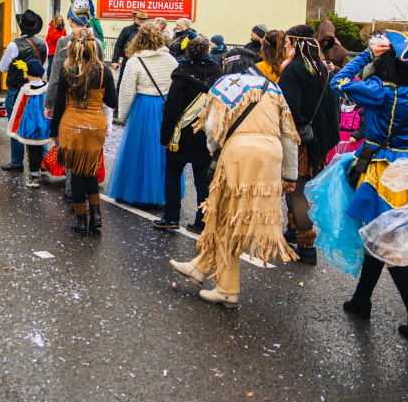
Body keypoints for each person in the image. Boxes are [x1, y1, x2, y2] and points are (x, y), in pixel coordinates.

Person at [330, 31, 408, 338]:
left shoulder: (381, 90)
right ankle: (361, 299)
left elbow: (337, 82)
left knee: (387, 243)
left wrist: (366, 56)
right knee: (379, 236)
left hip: (382, 168)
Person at [168, 55, 300, 306]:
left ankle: (227, 289)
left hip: (238, 157)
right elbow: (289, 134)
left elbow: (212, 127)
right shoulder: (273, 89)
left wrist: (213, 148)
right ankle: (200, 267)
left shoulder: (226, 86)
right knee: (229, 218)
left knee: (228, 219)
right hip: (270, 158)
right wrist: (289, 174)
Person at [278, 25, 341, 266]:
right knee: (297, 188)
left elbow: (286, 108)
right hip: (318, 138)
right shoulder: (324, 68)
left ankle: (307, 246)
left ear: (295, 42)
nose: (284, 45)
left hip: (300, 140)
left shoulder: (294, 69)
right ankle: (293, 230)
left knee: (296, 190)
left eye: (287, 41)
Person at [49, 28, 118, 234]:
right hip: (95, 125)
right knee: (90, 169)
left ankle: (81, 220)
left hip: (72, 124)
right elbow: (112, 102)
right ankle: (96, 216)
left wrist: (54, 129)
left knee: (76, 172)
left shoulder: (67, 69)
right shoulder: (104, 70)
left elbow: (59, 103)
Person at [106, 22, 177, 209]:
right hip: (164, 106)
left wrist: (123, 114)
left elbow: (127, 92)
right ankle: (162, 192)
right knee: (162, 152)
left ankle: (136, 192)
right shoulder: (171, 60)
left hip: (143, 107)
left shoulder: (135, 61)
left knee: (139, 150)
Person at [156, 37, 223, 232]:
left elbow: (172, 111)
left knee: (173, 174)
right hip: (205, 134)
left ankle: (171, 216)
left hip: (181, 135)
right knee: (203, 180)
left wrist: (165, 137)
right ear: (207, 52)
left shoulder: (181, 75)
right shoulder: (218, 75)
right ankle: (202, 221)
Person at [0, 10, 47, 174]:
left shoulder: (14, 45)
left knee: (16, 125)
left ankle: (17, 162)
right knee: (38, 124)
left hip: (17, 91)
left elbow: (3, 67)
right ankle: (44, 161)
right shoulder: (43, 43)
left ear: (21, 26)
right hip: (36, 89)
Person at [6, 60, 52, 187]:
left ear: (27, 73)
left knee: (31, 150)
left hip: (30, 127)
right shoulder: (47, 87)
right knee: (40, 148)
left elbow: (17, 106)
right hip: (43, 125)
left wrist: (15, 126)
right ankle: (41, 167)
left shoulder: (26, 89)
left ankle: (34, 177)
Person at [111, 9, 148, 75]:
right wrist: (115, 61)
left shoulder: (149, 32)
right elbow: (119, 45)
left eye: (144, 19)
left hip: (144, 64)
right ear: (135, 18)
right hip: (127, 62)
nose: (142, 20)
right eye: (140, 18)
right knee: (122, 83)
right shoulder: (127, 30)